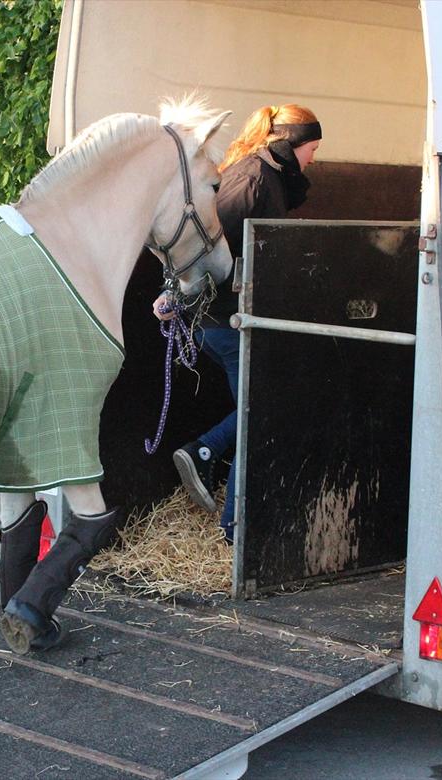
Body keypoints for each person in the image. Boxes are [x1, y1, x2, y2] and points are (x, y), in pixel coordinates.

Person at [153, 104, 321, 542]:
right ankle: (209, 465)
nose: (313, 160)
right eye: (312, 149)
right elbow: (205, 239)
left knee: (260, 407)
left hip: (230, 317)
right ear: (291, 143)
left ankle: (227, 509)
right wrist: (177, 293)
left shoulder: (267, 175)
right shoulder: (252, 178)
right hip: (223, 320)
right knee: (259, 409)